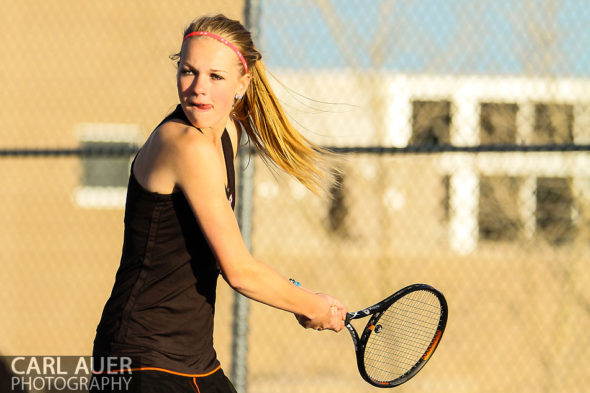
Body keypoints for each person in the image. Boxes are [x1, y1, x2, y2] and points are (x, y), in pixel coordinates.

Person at [91, 14, 347, 393]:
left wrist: (304, 298)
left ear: (242, 84)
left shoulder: (225, 133)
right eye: (188, 71)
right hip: (140, 358)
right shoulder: (184, 144)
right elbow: (239, 271)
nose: (198, 88)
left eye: (215, 76)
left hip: (193, 361)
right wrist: (310, 305)